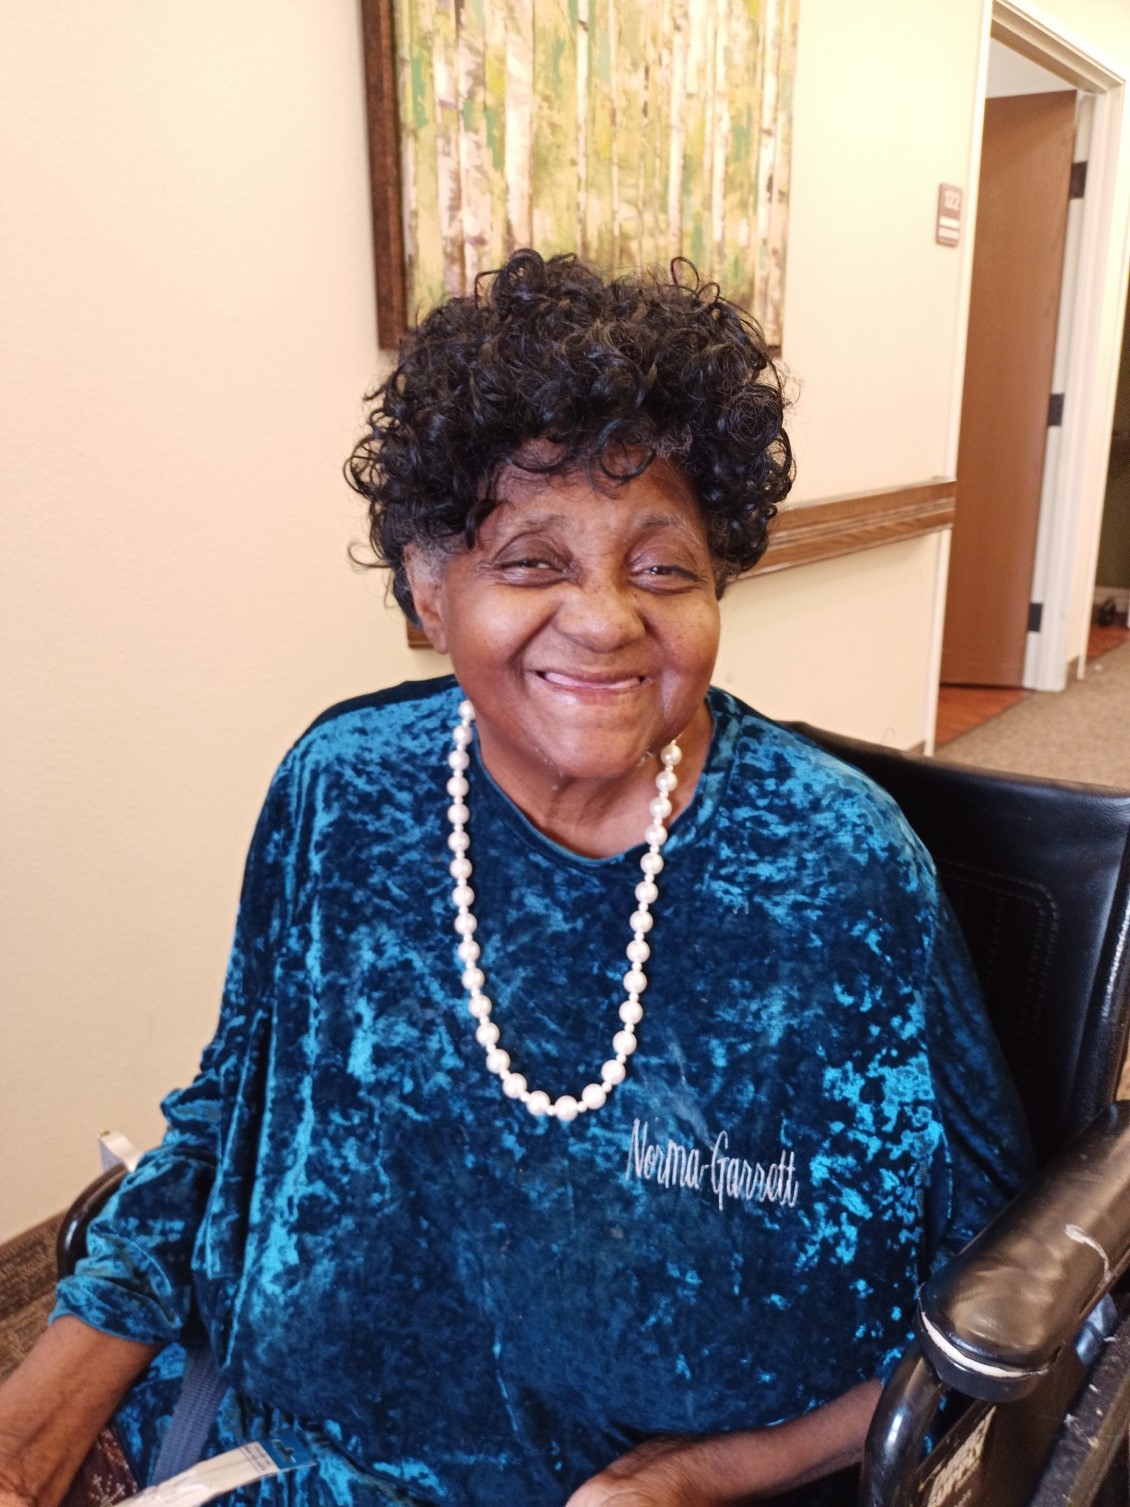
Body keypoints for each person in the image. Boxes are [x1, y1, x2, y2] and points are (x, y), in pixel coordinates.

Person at [0, 250, 1032, 1507]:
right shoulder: (343, 787)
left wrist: (699, 1475)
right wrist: (32, 1427)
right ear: (429, 589)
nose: (602, 619)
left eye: (662, 567)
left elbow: (981, 1294)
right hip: (269, 1431)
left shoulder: (833, 871)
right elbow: (231, 1118)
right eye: (533, 561)